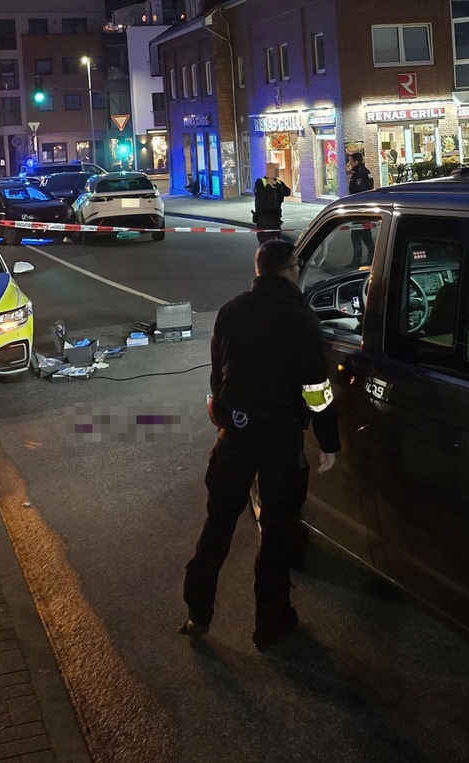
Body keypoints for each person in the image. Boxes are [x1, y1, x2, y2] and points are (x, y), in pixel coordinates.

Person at [180, 239, 340, 649]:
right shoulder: (302, 319)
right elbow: (315, 389)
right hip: (281, 440)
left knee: (218, 523)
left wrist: (225, 413)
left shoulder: (232, 311)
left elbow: (218, 376)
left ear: (258, 270)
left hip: (235, 435)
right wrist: (328, 441)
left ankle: (198, 613)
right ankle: (271, 624)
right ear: (290, 270)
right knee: (277, 533)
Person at [346, 152, 375, 267]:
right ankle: (372, 257)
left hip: (360, 209)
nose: (349, 163)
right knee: (365, 234)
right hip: (363, 208)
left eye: (350, 160)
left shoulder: (360, 173)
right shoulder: (364, 171)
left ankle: (357, 261)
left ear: (356, 161)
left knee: (356, 235)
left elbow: (360, 191)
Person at [252, 163, 291, 242]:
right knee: (265, 242)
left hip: (275, 217)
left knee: (276, 241)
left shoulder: (279, 183)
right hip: (263, 217)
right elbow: (260, 196)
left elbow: (287, 192)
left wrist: (276, 185)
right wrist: (269, 186)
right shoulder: (260, 182)